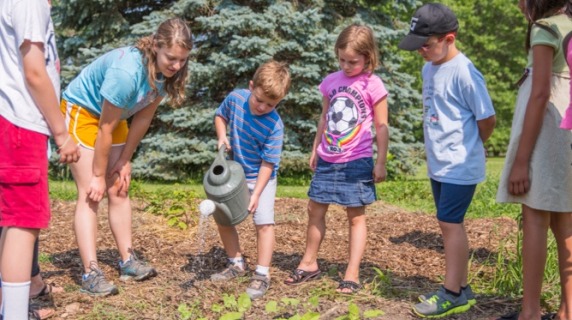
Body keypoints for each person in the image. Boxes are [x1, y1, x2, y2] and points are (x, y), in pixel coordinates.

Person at [60, 17, 192, 296]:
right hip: (84, 111)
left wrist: (124, 160)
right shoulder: (127, 73)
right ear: (156, 46)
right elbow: (105, 128)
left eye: (182, 60)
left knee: (119, 187)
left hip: (113, 115)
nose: (176, 66)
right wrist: (97, 175)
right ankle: (89, 273)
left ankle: (127, 260)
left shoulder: (167, 74)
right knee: (90, 193)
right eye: (171, 58)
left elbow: (142, 119)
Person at [398, 3, 496, 317]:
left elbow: (487, 119)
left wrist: (470, 147)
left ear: (449, 38)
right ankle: (463, 288)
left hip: (459, 164)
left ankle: (452, 292)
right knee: (447, 224)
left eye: (426, 45)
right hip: (439, 164)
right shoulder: (429, 66)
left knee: (449, 223)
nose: (420, 52)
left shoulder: (466, 72)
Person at [283, 24, 389, 295]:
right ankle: (308, 263)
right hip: (328, 158)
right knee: (314, 209)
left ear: (368, 57)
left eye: (352, 61)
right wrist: (315, 147)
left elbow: (382, 126)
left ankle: (351, 273)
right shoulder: (331, 81)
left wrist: (380, 162)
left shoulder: (373, 84)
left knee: (355, 217)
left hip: (357, 160)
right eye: (341, 59)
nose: (346, 65)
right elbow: (325, 116)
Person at [0, 0, 81, 317]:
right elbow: (34, 72)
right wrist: (61, 133)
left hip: (13, 123)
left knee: (11, 220)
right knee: (23, 223)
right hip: (21, 124)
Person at [496, 0, 572, 319]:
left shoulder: (546, 28)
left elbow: (540, 93)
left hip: (547, 136)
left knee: (536, 218)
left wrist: (520, 160)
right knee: (566, 223)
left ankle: (530, 313)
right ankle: (568, 311)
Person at [210, 60, 291, 300]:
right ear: (251, 86)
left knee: (263, 222)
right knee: (223, 217)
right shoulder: (236, 99)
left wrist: (256, 194)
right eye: (259, 99)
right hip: (235, 174)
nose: (263, 107)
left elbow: (269, 163)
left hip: (261, 178)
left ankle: (262, 274)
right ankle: (236, 263)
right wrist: (222, 136)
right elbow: (220, 115)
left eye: (271, 104)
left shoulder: (275, 125)